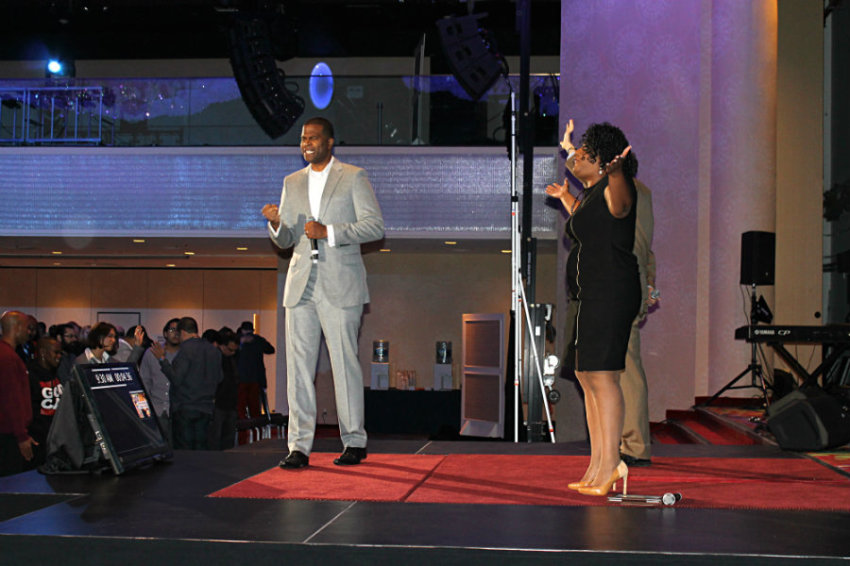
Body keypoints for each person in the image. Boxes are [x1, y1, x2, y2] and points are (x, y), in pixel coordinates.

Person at [262, 116, 384, 469]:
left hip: (340, 283)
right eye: (303, 138)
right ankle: (298, 447)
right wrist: (276, 224)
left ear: (330, 142)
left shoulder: (353, 177)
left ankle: (354, 441)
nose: (306, 143)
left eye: (313, 138)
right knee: (298, 368)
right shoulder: (292, 182)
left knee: (344, 364)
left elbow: (374, 226)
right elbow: (287, 239)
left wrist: (329, 231)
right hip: (301, 284)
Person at [546, 120, 641, 496]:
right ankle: (598, 463)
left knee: (603, 378)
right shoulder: (589, 195)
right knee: (586, 377)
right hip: (588, 296)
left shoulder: (617, 187)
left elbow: (619, 206)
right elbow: (588, 223)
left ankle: (610, 464)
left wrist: (617, 170)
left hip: (611, 293)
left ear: (603, 161)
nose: (575, 160)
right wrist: (566, 196)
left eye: (584, 154)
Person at [619, 180, 660, 467]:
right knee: (619, 371)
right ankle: (628, 443)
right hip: (628, 284)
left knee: (624, 371)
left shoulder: (622, 188)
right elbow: (645, 251)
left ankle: (634, 445)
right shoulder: (639, 191)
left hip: (617, 288)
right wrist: (648, 284)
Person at [151, 317, 223, 450]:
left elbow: (176, 378)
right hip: (206, 408)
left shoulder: (186, 349)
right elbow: (220, 377)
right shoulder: (213, 350)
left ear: (183, 332)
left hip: (185, 408)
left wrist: (162, 360)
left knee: (185, 452)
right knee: (201, 449)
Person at [0, 311, 36, 476]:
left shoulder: (8, 354)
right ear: (17, 327)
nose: (29, 332)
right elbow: (11, 400)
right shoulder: (8, 358)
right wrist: (21, 436)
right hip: (8, 436)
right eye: (27, 328)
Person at [139, 319, 180, 445]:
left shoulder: (186, 355)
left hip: (178, 411)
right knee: (156, 446)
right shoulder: (151, 352)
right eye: (172, 330)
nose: (176, 333)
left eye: (179, 330)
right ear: (165, 333)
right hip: (156, 408)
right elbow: (144, 381)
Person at [26, 337, 63, 468]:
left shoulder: (56, 373)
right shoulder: (29, 375)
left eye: (60, 353)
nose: (59, 356)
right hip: (37, 439)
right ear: (43, 352)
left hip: (55, 439)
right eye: (56, 352)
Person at [236, 320, 275, 419]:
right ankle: (255, 425)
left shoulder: (238, 340)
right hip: (256, 377)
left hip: (240, 378)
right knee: (254, 407)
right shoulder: (258, 340)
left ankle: (243, 424)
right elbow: (271, 349)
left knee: (241, 406)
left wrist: (241, 343)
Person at [209, 330, 240, 450]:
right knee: (216, 439)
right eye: (230, 350)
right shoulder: (215, 358)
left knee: (228, 439)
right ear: (221, 346)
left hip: (230, 403)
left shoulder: (231, 359)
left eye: (235, 350)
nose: (232, 353)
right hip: (218, 403)